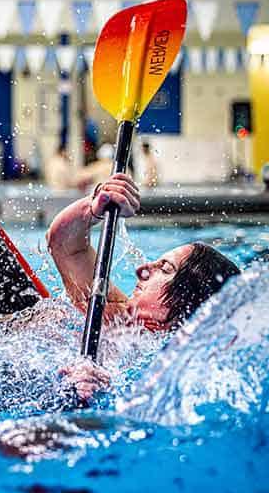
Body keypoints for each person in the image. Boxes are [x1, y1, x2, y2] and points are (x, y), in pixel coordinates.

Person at [48, 172, 241, 402]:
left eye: (165, 268)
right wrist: (94, 206)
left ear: (189, 301)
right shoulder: (115, 311)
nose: (142, 269)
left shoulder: (176, 369)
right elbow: (64, 244)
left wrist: (98, 386)